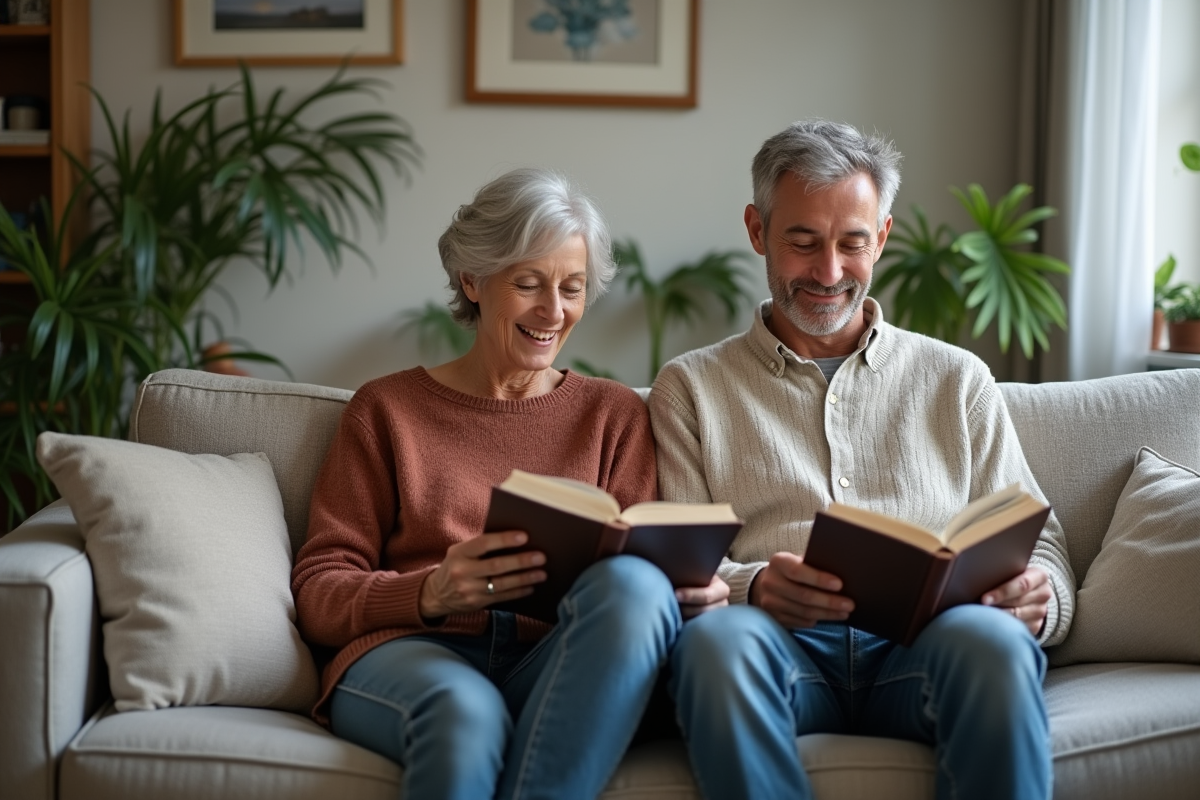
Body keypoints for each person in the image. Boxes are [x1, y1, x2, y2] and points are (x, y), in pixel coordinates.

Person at [647, 119, 1076, 800]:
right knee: (713, 649)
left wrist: (1040, 598)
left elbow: (1041, 540)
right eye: (802, 242)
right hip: (777, 648)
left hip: (932, 644)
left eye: (852, 243)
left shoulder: (957, 378)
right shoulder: (690, 388)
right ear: (758, 232)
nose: (828, 272)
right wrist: (752, 587)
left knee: (999, 648)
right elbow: (677, 565)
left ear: (882, 236)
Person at [291, 167, 724, 800]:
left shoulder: (613, 416)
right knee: (464, 716)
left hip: (556, 663)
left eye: (572, 288)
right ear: (472, 280)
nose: (554, 311)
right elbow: (319, 590)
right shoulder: (386, 410)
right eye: (528, 284)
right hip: (418, 652)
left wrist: (684, 596)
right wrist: (432, 590)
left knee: (635, 585)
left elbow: (638, 580)